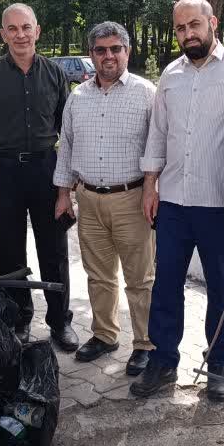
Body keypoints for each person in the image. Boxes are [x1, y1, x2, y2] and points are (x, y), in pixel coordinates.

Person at [131, 0, 224, 402]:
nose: (188, 34)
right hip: (172, 201)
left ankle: (219, 361)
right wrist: (150, 184)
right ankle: (163, 360)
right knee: (166, 284)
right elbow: (158, 133)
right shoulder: (171, 75)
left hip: (221, 201)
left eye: (194, 25)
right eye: (180, 28)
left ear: (212, 23)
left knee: (222, 286)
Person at [0, 3, 78, 351]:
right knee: (10, 251)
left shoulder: (55, 74)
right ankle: (19, 319)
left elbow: (68, 129)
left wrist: (69, 180)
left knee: (54, 250)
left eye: (26, 27)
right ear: (3, 35)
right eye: (12, 29)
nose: (20, 34)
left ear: (37, 31)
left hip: (46, 170)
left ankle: (59, 321)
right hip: (4, 170)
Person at [53, 21, 157, 375]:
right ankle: (104, 335)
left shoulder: (146, 93)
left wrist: (153, 190)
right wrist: (64, 194)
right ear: (91, 54)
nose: (108, 56)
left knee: (140, 278)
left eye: (115, 49)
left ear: (127, 51)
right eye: (100, 50)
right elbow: (67, 146)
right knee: (98, 275)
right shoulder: (78, 97)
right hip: (88, 200)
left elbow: (159, 147)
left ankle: (145, 343)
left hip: (132, 199)